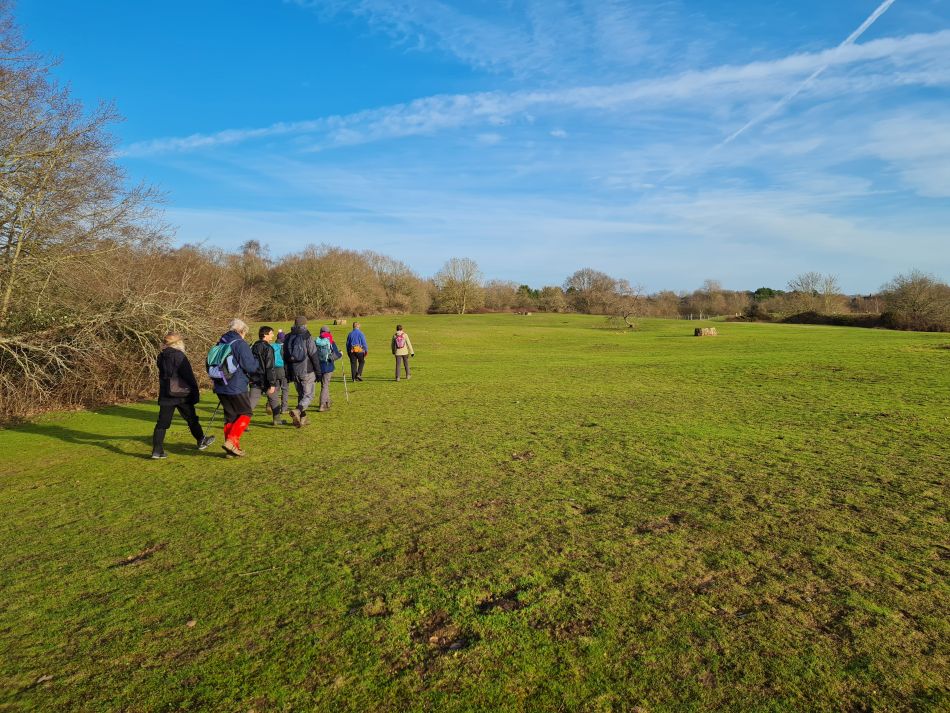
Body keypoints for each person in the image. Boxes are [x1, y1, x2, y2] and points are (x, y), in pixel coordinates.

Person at [151, 333, 214, 459]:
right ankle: (201, 440)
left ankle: (157, 451)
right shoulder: (179, 355)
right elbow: (188, 376)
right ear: (177, 343)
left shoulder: (161, 356)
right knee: (191, 419)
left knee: (162, 423)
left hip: (166, 394)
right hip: (181, 394)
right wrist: (195, 392)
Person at [209, 318, 259, 457]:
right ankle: (231, 441)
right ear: (241, 331)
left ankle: (231, 449)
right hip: (236, 385)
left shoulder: (220, 343)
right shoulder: (240, 344)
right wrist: (256, 361)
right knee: (246, 413)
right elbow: (250, 366)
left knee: (230, 417)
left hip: (220, 384)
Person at [283, 316, 321, 428]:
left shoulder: (288, 337)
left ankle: (302, 418)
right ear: (305, 324)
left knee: (301, 395)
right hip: (307, 371)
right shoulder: (307, 336)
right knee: (309, 396)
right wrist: (318, 372)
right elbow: (314, 355)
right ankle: (298, 410)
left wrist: (288, 373)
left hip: (294, 371)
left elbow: (285, 357)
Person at [249, 326, 280, 426]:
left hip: (254, 378)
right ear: (265, 335)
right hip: (266, 379)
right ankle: (277, 420)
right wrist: (272, 383)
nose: (273, 335)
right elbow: (270, 367)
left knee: (252, 401)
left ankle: (243, 423)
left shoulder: (253, 347)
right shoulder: (268, 348)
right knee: (274, 399)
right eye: (271, 333)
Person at [315, 326, 343, 411]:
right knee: (325, 385)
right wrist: (340, 354)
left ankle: (327, 402)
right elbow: (335, 355)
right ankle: (322, 404)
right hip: (328, 366)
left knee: (324, 385)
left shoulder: (316, 341)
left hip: (318, 366)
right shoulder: (330, 342)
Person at [271, 330, 290, 424]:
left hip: (274, 370)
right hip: (282, 370)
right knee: (285, 389)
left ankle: (274, 407)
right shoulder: (284, 347)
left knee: (276, 389)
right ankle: (284, 408)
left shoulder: (272, 346)